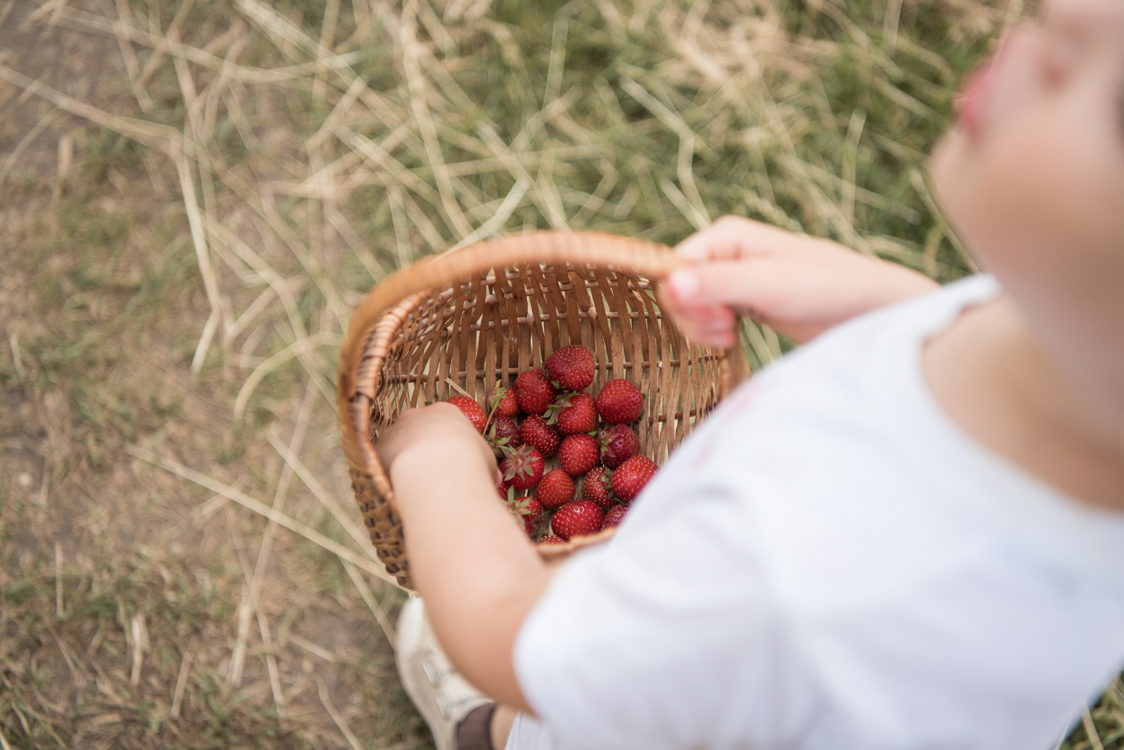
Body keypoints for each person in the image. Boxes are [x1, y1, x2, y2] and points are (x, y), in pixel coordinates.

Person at [378, 0, 1124, 747]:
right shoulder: (1067, 352)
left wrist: (435, 460)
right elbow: (1010, 346)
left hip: (628, 713)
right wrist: (890, 313)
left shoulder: (790, 574)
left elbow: (513, 637)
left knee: (544, 720)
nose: (1067, 12)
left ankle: (485, 732)